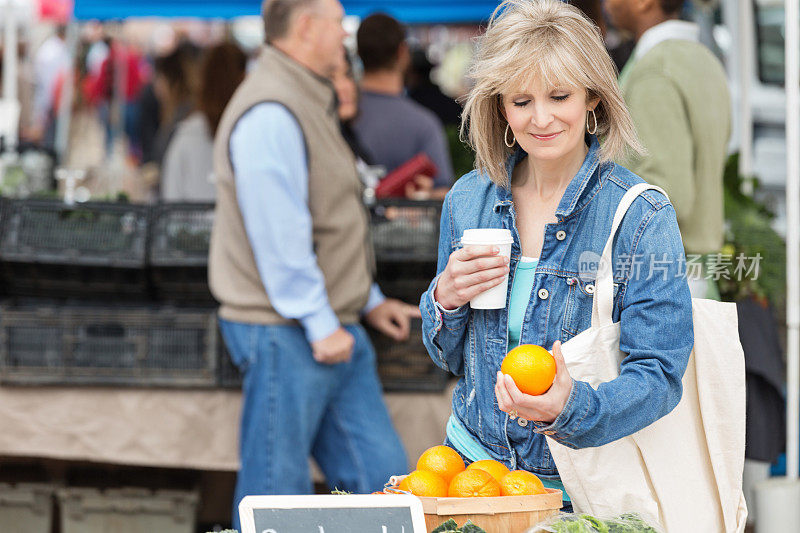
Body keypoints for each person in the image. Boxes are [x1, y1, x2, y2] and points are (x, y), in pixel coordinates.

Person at [419, 0, 692, 512]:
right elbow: (451, 359)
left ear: (592, 97)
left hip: (578, 493)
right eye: (521, 101)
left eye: (559, 95)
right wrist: (445, 298)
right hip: (471, 477)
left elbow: (659, 374)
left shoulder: (641, 218)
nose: (540, 118)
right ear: (501, 107)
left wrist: (573, 408)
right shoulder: (467, 201)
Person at [208, 0, 414, 528]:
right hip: (288, 330)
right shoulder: (272, 109)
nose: (345, 33)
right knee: (276, 496)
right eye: (336, 23)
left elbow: (327, 219)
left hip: (327, 325)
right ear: (305, 28)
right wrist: (321, 320)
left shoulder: (304, 99)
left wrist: (365, 301)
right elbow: (279, 233)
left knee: (385, 481)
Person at [605, 0, 731, 299]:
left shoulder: (656, 69)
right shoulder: (704, 59)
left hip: (661, 280)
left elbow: (668, 192)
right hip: (694, 274)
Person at [353, 13, 453, 198]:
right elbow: (444, 194)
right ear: (402, 52)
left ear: (358, 52)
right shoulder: (424, 124)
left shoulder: (338, 116)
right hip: (407, 226)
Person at [161, 42, 247, 202]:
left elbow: (171, 194)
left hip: (188, 223)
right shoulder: (248, 132)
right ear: (241, 78)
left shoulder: (187, 133)